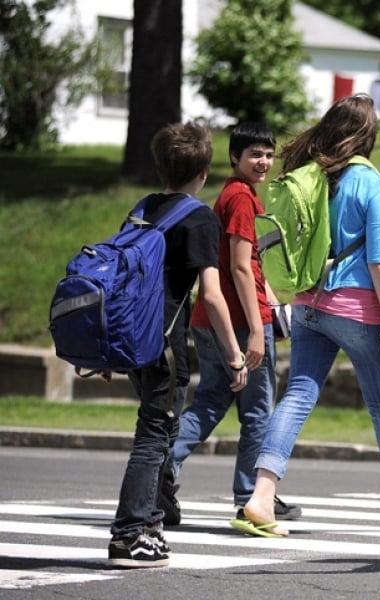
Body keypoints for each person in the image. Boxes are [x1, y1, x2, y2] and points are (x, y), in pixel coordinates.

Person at [236, 93, 380, 538]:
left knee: (297, 396)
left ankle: (261, 497)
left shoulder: (310, 178)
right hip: (357, 310)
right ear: (367, 136)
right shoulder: (373, 184)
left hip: (306, 304)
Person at [108, 122, 248, 568]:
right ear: (204, 172)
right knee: (153, 435)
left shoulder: (143, 207)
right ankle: (129, 535)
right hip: (165, 344)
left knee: (163, 428)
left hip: (132, 339)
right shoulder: (200, 217)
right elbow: (210, 293)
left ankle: (152, 518)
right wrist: (234, 352)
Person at [158, 122, 302, 531]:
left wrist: (273, 302)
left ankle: (161, 468)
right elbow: (239, 267)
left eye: (269, 154)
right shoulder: (241, 199)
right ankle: (250, 499)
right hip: (238, 322)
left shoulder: (229, 194)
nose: (264, 162)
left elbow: (248, 266)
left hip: (211, 320)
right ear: (234, 158)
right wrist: (258, 330)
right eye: (255, 154)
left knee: (210, 401)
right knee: (257, 411)